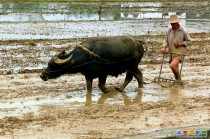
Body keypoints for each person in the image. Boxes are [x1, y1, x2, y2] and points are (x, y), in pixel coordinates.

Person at [161, 14, 192, 81]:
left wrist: (181, 43)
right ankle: (177, 81)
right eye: (171, 23)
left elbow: (190, 41)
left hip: (180, 53)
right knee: (174, 68)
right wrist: (164, 47)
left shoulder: (183, 31)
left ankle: (179, 79)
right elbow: (165, 40)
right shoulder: (169, 31)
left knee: (172, 65)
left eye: (174, 23)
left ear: (177, 22)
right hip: (171, 52)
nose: (172, 25)